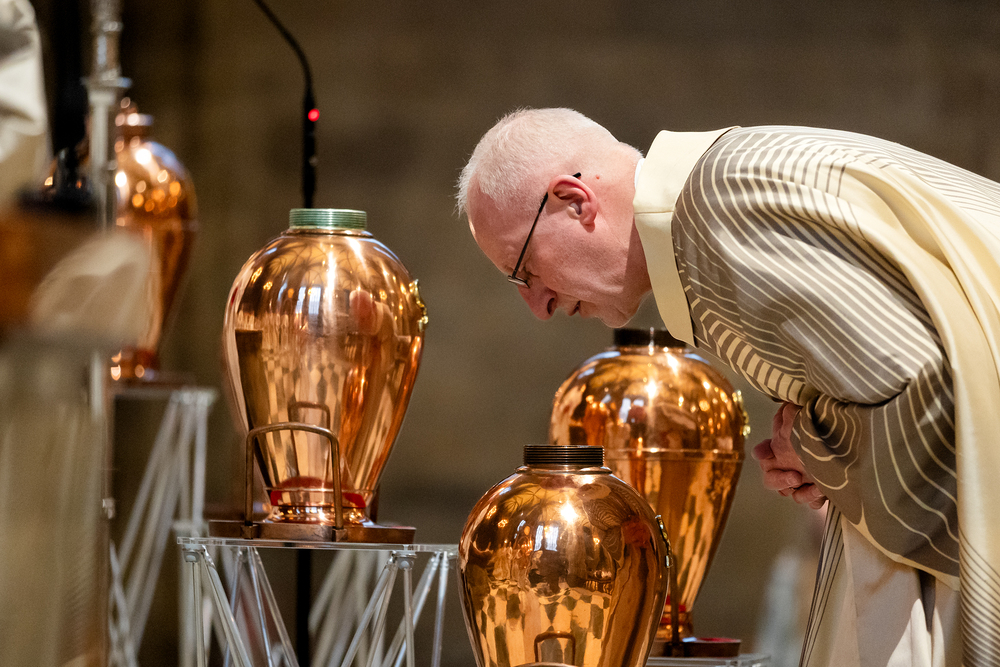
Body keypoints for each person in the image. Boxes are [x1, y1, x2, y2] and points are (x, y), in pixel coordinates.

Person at [456, 108, 1000, 667]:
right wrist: (827, 444)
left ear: (576, 201)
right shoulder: (714, 199)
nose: (538, 306)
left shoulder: (716, 210)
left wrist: (816, 447)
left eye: (525, 271)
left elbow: (926, 387)